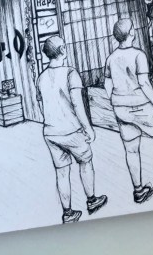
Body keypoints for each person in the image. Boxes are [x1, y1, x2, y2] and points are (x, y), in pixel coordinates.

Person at [103, 18, 153, 203]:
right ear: (131, 33)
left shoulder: (111, 58)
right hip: (140, 105)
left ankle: (138, 190)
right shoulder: (138, 55)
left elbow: (107, 82)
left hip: (121, 108)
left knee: (131, 149)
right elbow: (144, 83)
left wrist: (114, 99)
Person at [36, 35, 108, 224]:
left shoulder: (41, 77)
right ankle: (92, 200)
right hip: (71, 131)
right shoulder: (70, 73)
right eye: (64, 46)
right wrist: (88, 128)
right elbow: (78, 105)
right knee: (85, 162)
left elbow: (42, 106)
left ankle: (67, 213)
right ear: (62, 50)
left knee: (61, 172)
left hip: (50, 132)